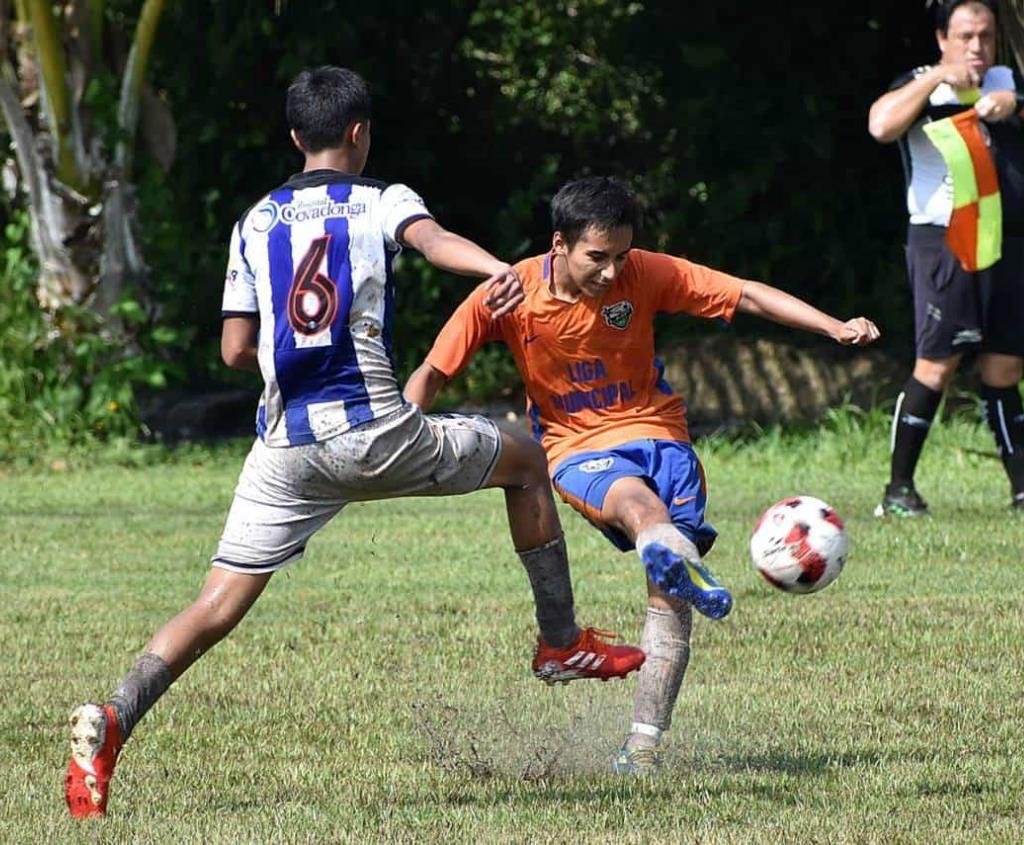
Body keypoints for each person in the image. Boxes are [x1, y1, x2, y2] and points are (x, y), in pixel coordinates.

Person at [64, 67, 645, 819]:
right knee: (526, 458)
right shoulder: (382, 198)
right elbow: (432, 242)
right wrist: (501, 270)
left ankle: (113, 718)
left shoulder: (254, 221)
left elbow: (236, 348)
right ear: (361, 133)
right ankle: (560, 640)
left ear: (297, 138)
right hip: (373, 430)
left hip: (285, 450)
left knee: (213, 606)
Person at [404, 176, 879, 775]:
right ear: (559, 244)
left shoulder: (645, 273)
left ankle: (644, 746)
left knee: (669, 593)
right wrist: (400, 441)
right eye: (596, 258)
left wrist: (832, 326)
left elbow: (746, 295)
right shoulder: (509, 292)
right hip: (577, 447)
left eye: (621, 256)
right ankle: (667, 551)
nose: (611, 272)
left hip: (662, 437)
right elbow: (432, 370)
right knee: (637, 507)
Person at [867, 0, 1024, 517]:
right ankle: (898, 491)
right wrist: (940, 75)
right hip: (943, 241)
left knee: (1004, 363)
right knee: (937, 364)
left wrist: (1019, 105)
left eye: (985, 36)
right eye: (965, 36)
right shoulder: (922, 81)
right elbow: (881, 125)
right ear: (942, 38)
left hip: (1003, 242)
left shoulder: (1007, 81)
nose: (977, 47)